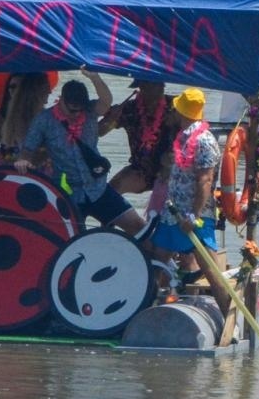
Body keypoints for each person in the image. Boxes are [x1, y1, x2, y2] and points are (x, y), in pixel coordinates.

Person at [16, 72, 143, 234]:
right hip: (69, 195)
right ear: (61, 100)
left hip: (98, 188)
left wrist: (94, 77)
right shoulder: (44, 119)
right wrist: (24, 160)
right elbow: (27, 149)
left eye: (79, 110)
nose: (76, 115)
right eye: (72, 110)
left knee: (138, 226)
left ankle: (153, 257)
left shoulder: (90, 111)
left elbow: (106, 101)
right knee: (67, 239)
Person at [145, 88, 222, 291]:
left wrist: (193, 216)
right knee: (156, 262)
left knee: (212, 273)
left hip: (193, 217)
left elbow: (205, 180)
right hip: (173, 215)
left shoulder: (204, 140)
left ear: (181, 112)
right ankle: (150, 306)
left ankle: (231, 316)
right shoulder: (183, 137)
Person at [101, 79, 181, 196]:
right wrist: (110, 119)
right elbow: (99, 132)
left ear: (161, 87)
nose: (144, 92)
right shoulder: (130, 109)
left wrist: (176, 120)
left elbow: (195, 127)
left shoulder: (176, 105)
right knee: (111, 191)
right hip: (140, 170)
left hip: (171, 168)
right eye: (142, 88)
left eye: (149, 87)